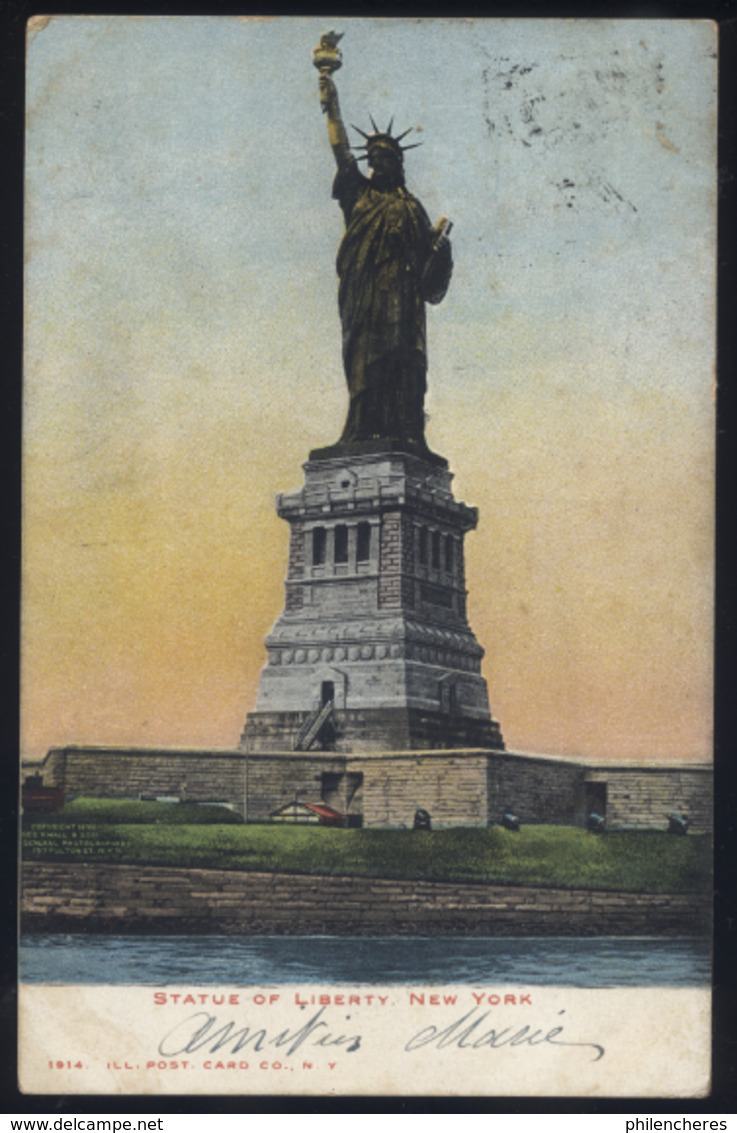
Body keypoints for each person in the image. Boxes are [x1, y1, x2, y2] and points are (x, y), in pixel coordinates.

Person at [319, 72, 453, 455]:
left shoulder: (412, 208)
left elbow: (431, 271)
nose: (378, 165)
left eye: (385, 159)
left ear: (397, 163)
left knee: (406, 365)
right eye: (373, 159)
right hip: (364, 297)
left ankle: (411, 434)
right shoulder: (357, 195)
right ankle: (359, 432)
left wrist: (441, 251)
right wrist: (331, 103)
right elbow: (340, 148)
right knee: (365, 364)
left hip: (404, 302)